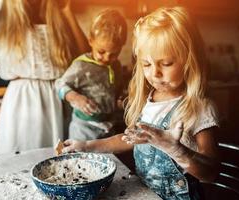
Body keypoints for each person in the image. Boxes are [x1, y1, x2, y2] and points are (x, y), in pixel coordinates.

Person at [56, 7, 220, 200]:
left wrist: (176, 150)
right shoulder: (149, 99)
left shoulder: (199, 107)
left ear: (190, 60)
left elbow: (211, 173)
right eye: (146, 64)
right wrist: (86, 145)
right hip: (145, 194)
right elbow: (127, 139)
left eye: (166, 63)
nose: (154, 73)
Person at [0, 0, 90, 154]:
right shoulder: (2, 15)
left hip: (58, 97)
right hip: (22, 101)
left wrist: (67, 11)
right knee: (22, 159)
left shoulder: (57, 15)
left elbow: (86, 57)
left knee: (59, 162)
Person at [55, 9, 127, 141]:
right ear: (90, 41)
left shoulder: (116, 65)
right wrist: (74, 97)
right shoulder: (81, 66)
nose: (107, 58)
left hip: (109, 126)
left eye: (114, 54)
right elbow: (59, 85)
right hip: (84, 128)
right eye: (101, 51)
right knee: (83, 159)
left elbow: (117, 90)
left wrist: (120, 99)